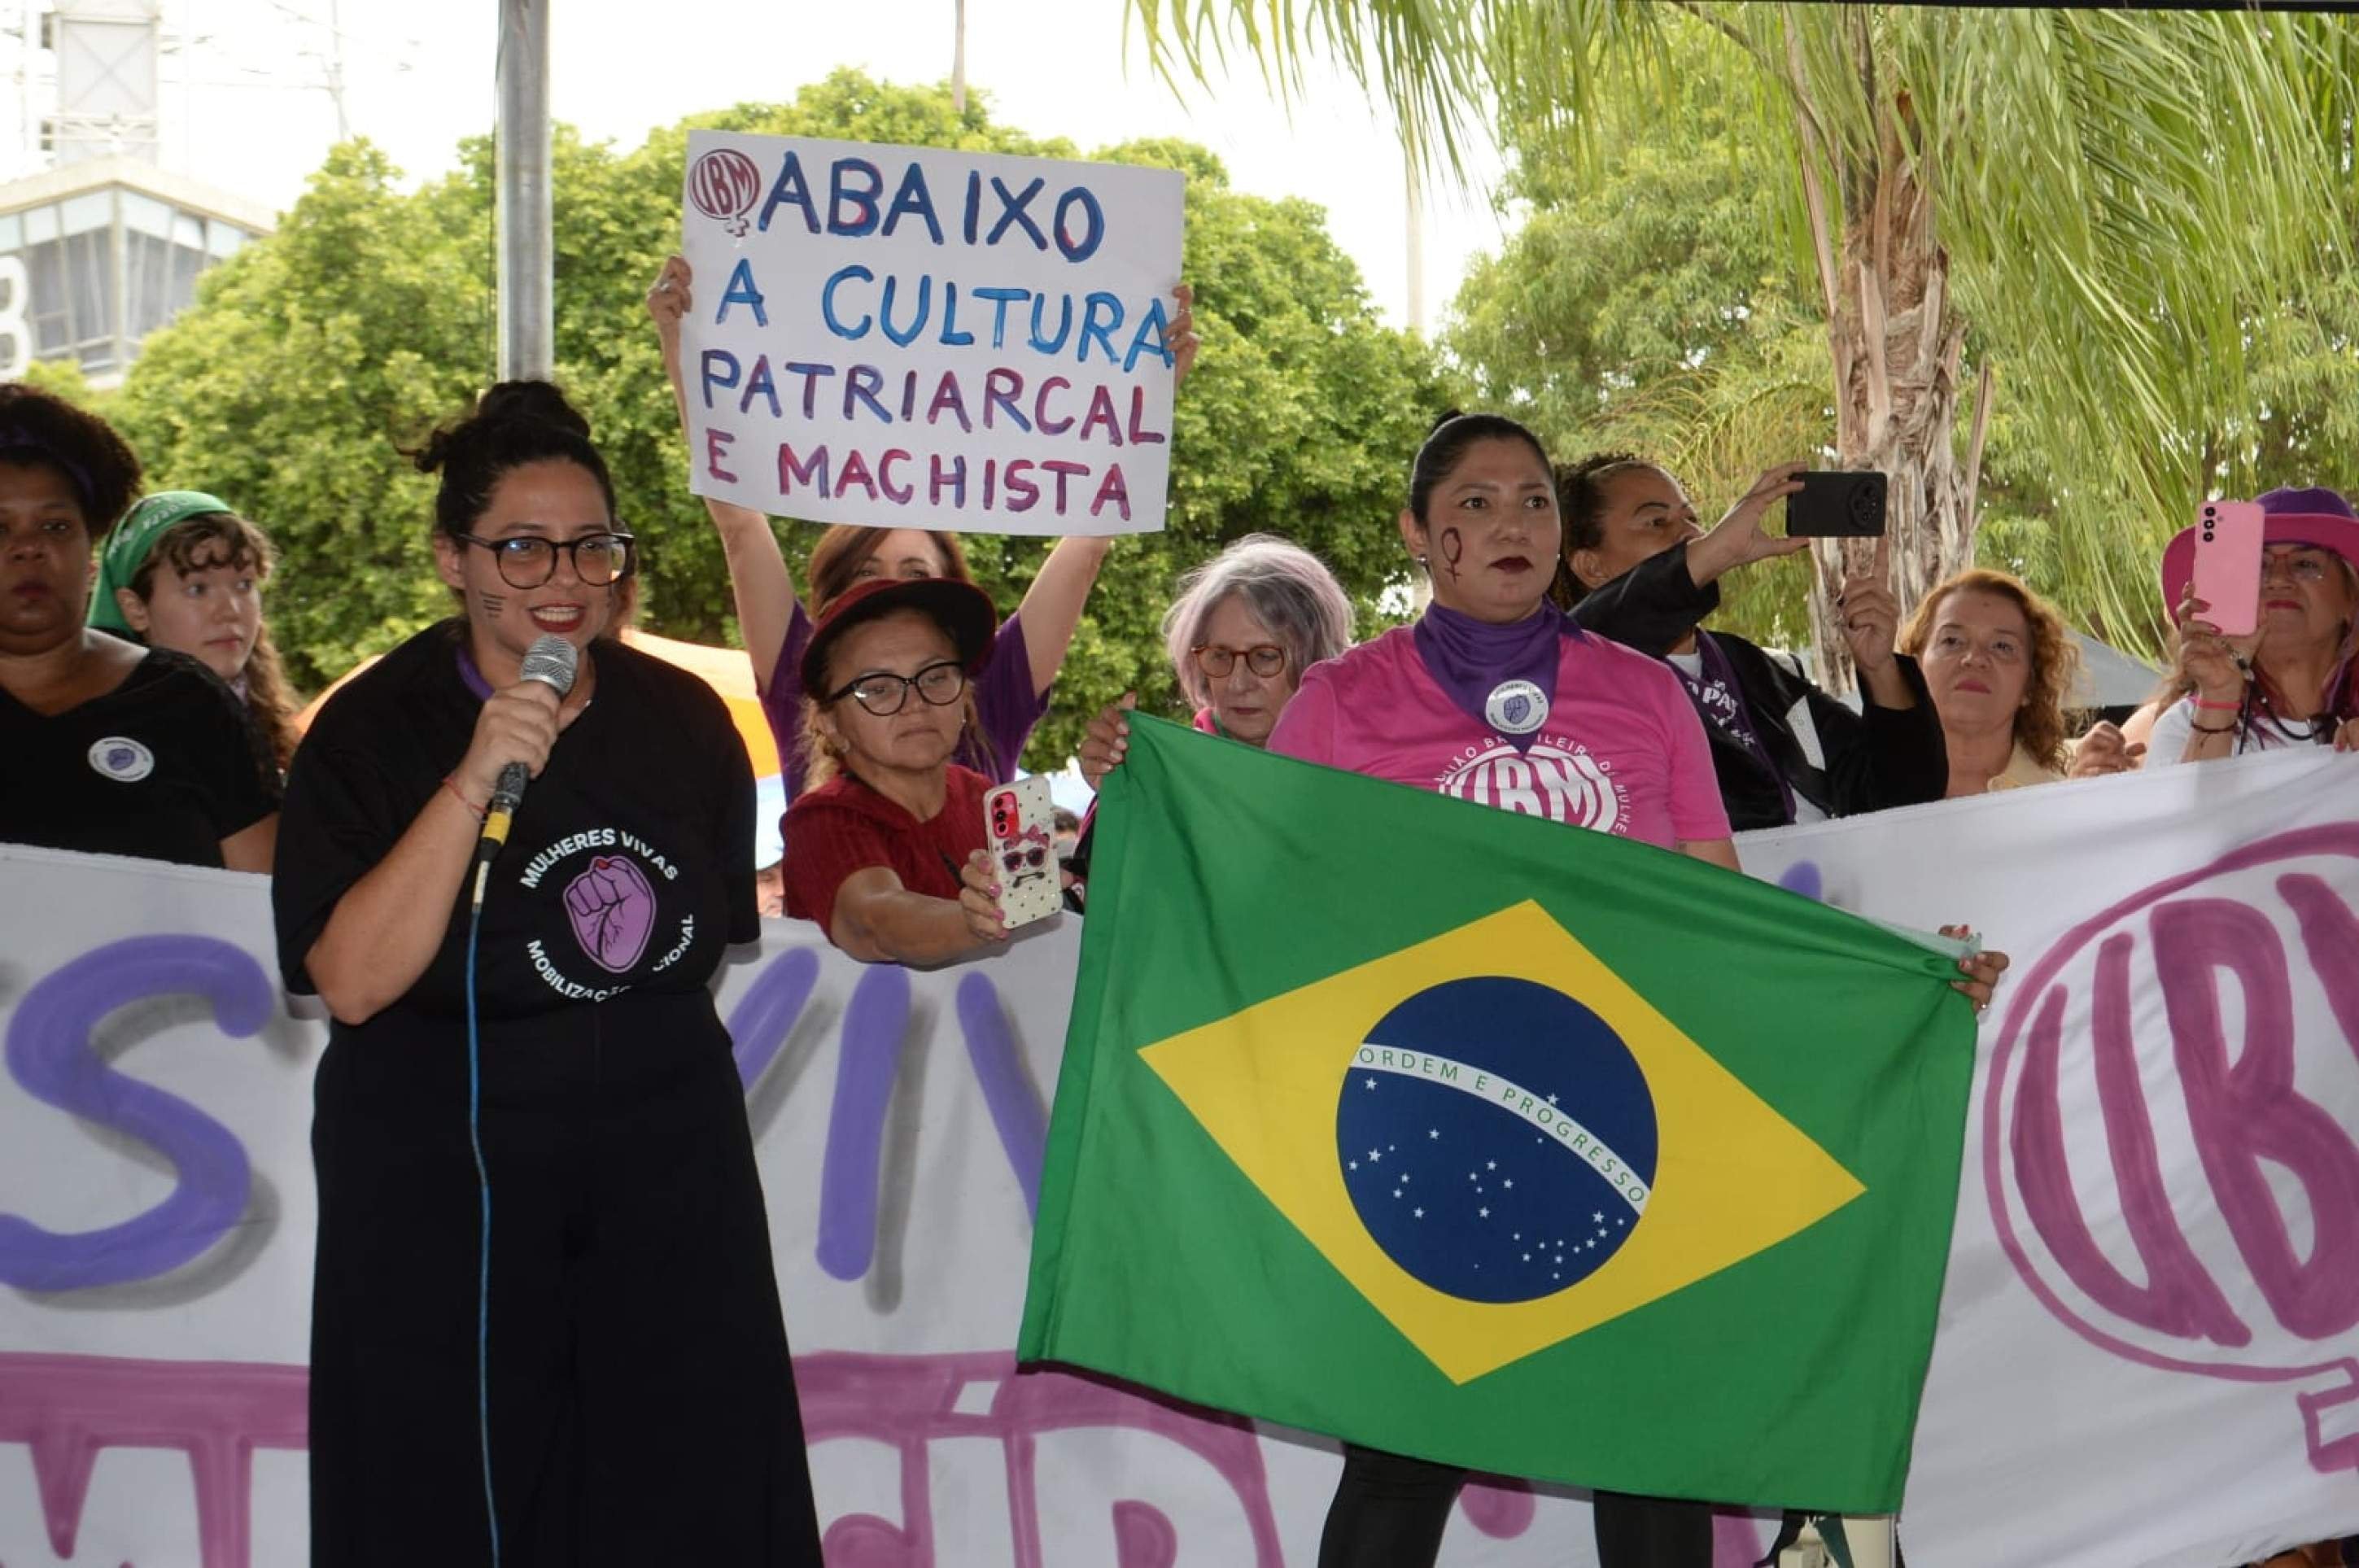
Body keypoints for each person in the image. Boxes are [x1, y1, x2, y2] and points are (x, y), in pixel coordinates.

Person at [1087, 412, 2005, 1568]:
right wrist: (1136, 783)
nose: (1508, 523)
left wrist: (1901, 978)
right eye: (1470, 503)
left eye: (1529, 500)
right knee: (1398, 1454)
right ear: (1417, 534)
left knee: (1643, 1451)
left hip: (1614, 1113)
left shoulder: (1640, 694)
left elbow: (1714, 922)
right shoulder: (1337, 702)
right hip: (1418, 1119)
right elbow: (1267, 912)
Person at [270, 380, 822, 1565]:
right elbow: (354, 981)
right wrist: (474, 778)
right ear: (451, 560)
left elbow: (705, 936)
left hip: (663, 1173)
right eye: (519, 547)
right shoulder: (373, 729)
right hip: (443, 1183)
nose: (561, 574)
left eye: (591, 545)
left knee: (688, 1484)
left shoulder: (683, 720)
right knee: (454, 1497)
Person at [645, 253, 1198, 800]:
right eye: (867, 573)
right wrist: (683, 340)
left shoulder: (996, 688)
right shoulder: (800, 678)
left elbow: (1089, 540)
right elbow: (739, 526)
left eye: (914, 572)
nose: (891, 589)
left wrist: (1149, 389)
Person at [1551, 455, 1946, 829]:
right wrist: (1711, 553)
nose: (1690, 532)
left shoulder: (1761, 669)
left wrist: (1880, 670)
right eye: (1656, 522)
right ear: (1592, 566)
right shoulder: (1578, 674)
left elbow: (1902, 797)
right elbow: (1587, 635)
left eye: (1692, 517)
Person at [0, 384, 279, 871]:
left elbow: (268, 908)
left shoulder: (188, 701)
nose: (28, 548)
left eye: (56, 527)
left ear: (90, 557)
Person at [779, 575, 1011, 963]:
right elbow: (876, 919)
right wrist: (977, 921)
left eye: (935, 677)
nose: (915, 702)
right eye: (878, 688)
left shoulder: (981, 795)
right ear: (831, 724)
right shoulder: (822, 821)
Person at [88, 489, 299, 770]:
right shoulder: (106, 746)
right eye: (197, 589)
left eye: (244, 585)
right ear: (135, 608)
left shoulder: (281, 737)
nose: (230, 611)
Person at [2150, 486, 2359, 765]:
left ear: (2352, 601)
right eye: (2260, 566)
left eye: (2306, 564)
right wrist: (2219, 697)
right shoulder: (2182, 728)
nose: (2277, 579)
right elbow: (2193, 810)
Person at [1897, 568, 2086, 795]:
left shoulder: (2063, 802)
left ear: (2031, 685)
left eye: (2002, 646)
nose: (1974, 659)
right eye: (1952, 640)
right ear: (1916, 665)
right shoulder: (1860, 791)